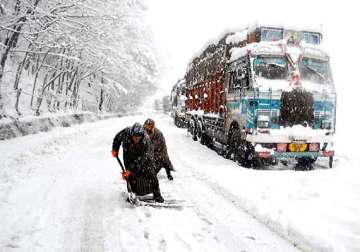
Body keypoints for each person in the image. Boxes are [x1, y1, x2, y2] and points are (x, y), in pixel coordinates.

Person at [112, 122, 164, 203]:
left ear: (142, 136)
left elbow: (141, 159)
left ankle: (157, 195)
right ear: (131, 134)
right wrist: (115, 149)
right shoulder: (126, 133)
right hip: (128, 153)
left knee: (151, 173)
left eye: (138, 137)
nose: (136, 139)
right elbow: (117, 138)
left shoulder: (146, 141)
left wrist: (131, 169)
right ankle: (133, 193)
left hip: (143, 156)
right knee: (129, 176)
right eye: (134, 137)